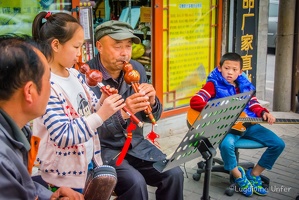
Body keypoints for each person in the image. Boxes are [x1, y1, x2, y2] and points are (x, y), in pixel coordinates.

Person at [86, 20, 184, 200]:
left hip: (136, 144)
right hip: (104, 149)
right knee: (135, 182)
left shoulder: (137, 68)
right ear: (99, 46)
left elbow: (152, 117)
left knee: (174, 173)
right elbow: (87, 129)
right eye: (117, 46)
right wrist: (123, 114)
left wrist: (152, 103)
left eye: (128, 46)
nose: (125, 53)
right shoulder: (88, 77)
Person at [31, 12, 125, 193]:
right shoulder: (46, 84)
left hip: (84, 161)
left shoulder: (74, 75)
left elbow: (89, 112)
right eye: (76, 46)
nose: (80, 53)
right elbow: (62, 134)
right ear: (56, 45)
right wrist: (102, 114)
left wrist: (103, 101)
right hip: (61, 173)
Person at [0, 34, 84, 200]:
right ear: (29, 91)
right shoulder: (3, 160)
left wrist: (48, 196)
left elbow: (21, 183)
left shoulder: (17, 131)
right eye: (48, 79)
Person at [190, 52, 285, 197]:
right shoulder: (213, 84)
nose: (230, 72)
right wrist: (220, 110)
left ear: (240, 72)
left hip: (248, 124)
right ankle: (239, 177)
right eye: (227, 68)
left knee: (278, 144)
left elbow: (253, 104)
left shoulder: (245, 85)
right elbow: (195, 101)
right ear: (220, 68)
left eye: (234, 70)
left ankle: (253, 174)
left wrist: (263, 112)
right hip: (228, 128)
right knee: (226, 145)